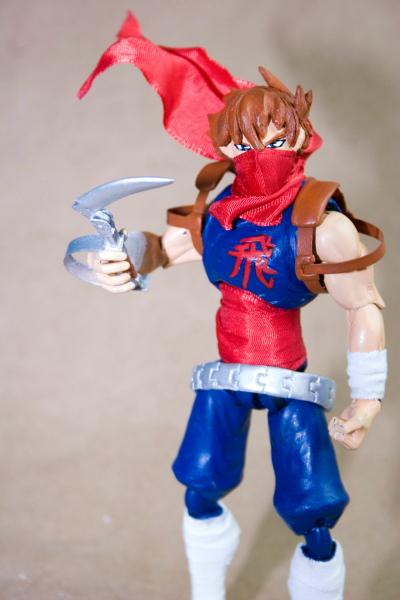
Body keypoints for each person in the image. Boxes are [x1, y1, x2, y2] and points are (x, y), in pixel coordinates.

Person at [78, 12, 387, 600]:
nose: (260, 153)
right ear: (223, 144)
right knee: (199, 486)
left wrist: (368, 398)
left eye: (275, 139)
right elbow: (164, 250)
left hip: (289, 381)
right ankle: (207, 590)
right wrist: (120, 258)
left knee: (314, 513)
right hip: (225, 378)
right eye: (245, 143)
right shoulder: (219, 212)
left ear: (300, 137)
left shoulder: (321, 224)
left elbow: (364, 306)